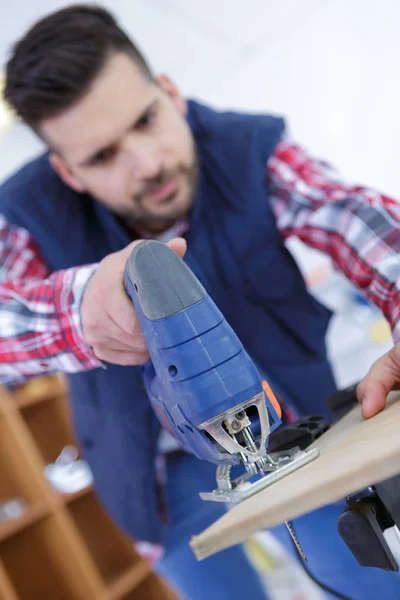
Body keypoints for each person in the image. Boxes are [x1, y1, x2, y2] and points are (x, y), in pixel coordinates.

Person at [1, 5, 400, 599]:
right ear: (68, 172)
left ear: (169, 92)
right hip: (156, 487)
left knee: (370, 586)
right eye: (103, 156)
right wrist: (81, 312)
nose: (148, 163)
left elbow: (348, 215)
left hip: (297, 438)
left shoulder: (252, 147)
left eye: (146, 119)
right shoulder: (25, 213)